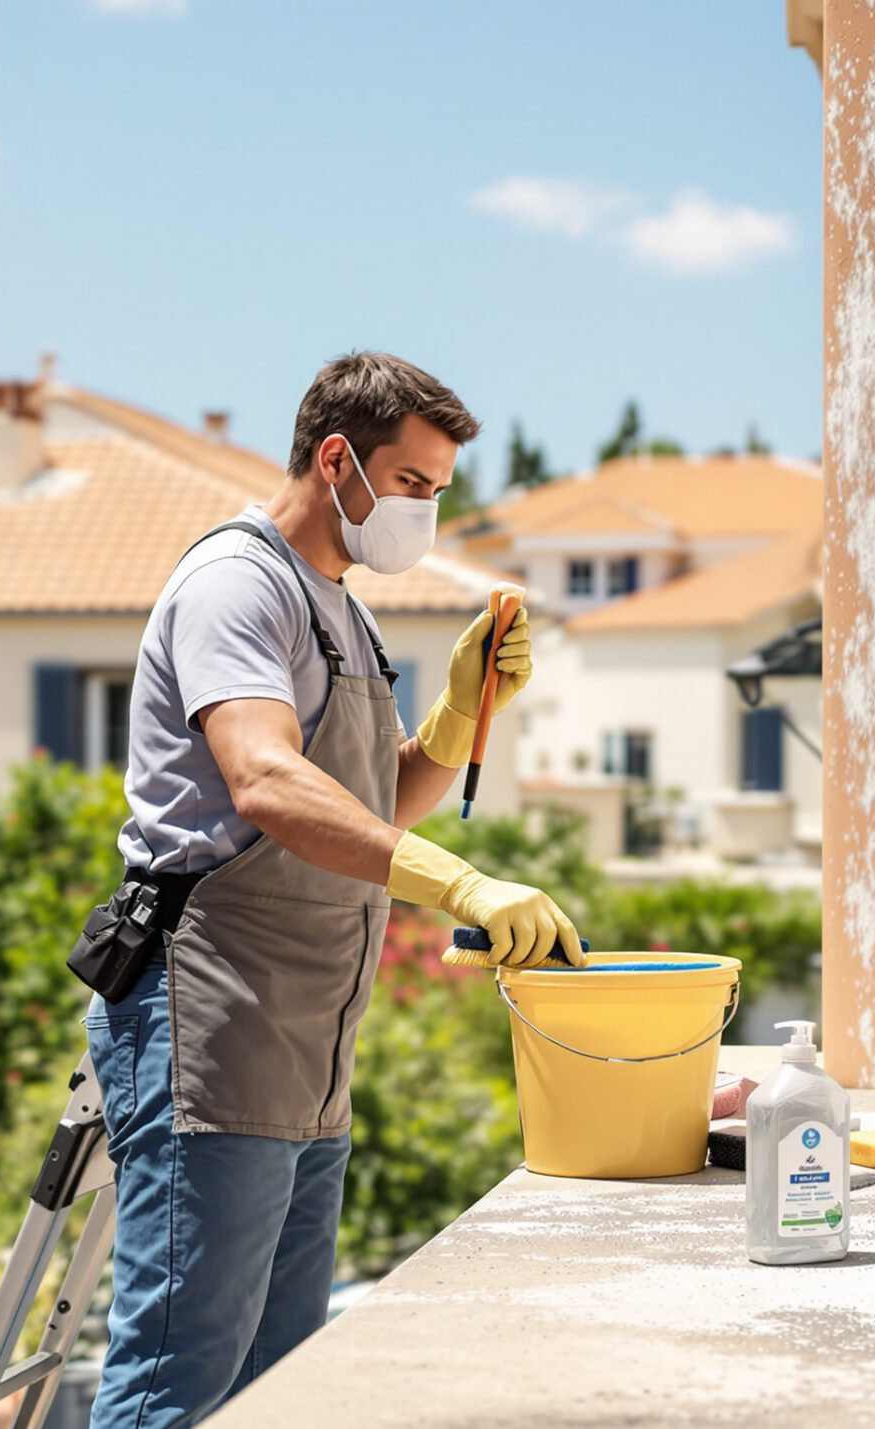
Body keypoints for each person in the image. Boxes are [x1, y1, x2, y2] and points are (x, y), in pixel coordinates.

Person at [85, 351, 582, 1427]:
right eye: (413, 484)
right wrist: (465, 885)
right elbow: (266, 781)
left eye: (442, 492)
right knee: (180, 1376)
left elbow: (373, 804)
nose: (427, 512)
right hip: (211, 1028)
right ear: (336, 458)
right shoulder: (236, 584)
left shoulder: (340, 605)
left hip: (309, 1042)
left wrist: (459, 716)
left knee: (275, 1382)